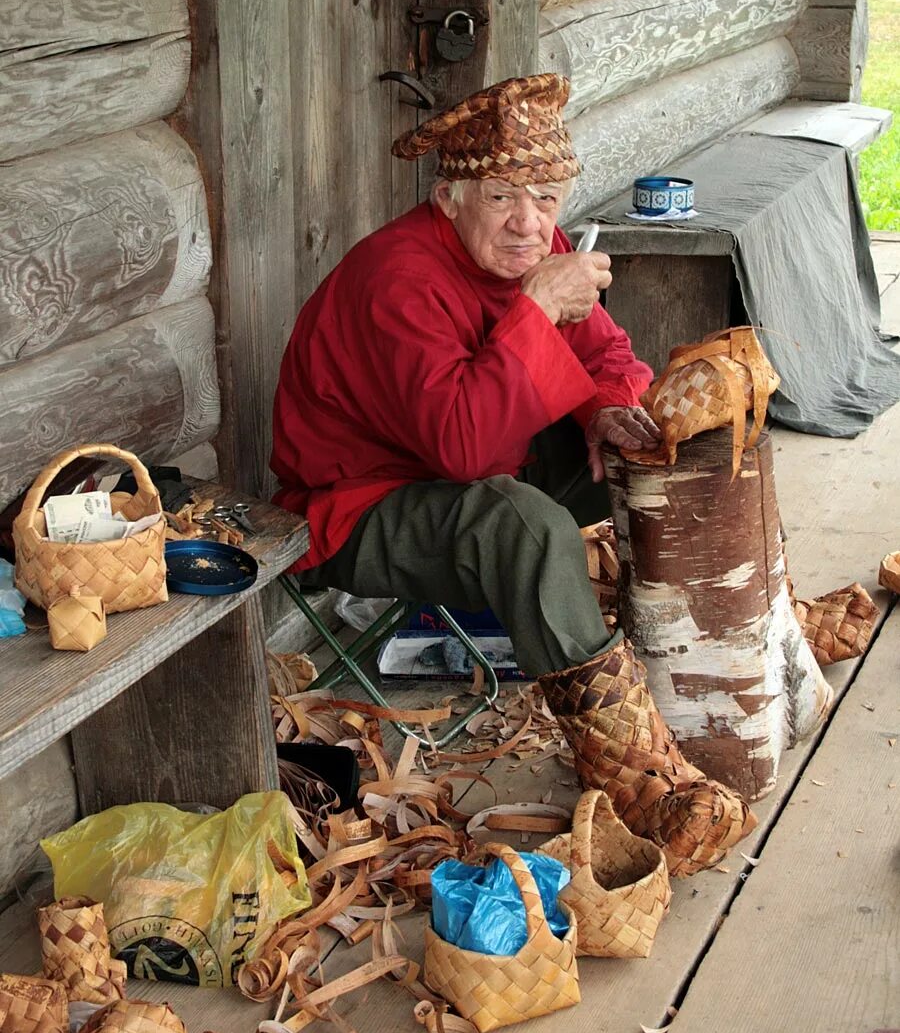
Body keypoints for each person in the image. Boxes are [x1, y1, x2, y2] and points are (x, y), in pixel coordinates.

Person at [272, 73, 754, 875]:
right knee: (523, 524)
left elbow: (608, 357)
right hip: (357, 507)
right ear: (451, 195)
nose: (529, 221)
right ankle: (633, 773)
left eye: (546, 195)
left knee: (657, 442)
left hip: (476, 466)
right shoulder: (399, 279)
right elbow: (460, 449)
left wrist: (605, 410)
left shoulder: (541, 247)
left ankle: (709, 657)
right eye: (502, 195)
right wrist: (534, 308)